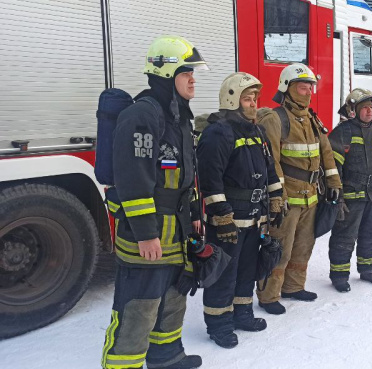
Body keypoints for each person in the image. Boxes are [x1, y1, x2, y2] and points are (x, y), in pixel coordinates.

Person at [101, 35, 208, 369]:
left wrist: (193, 215)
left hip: (174, 233)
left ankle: (166, 357)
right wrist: (147, 233)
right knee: (139, 306)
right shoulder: (142, 117)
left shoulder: (178, 117)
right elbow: (134, 180)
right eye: (186, 72)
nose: (193, 79)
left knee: (172, 298)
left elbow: (184, 178)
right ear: (166, 74)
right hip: (146, 236)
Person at [196, 72, 282, 348]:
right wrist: (221, 216)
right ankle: (219, 324)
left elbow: (269, 169)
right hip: (229, 220)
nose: (253, 103)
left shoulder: (256, 131)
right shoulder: (218, 132)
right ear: (231, 100)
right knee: (223, 273)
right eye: (247, 98)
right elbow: (210, 179)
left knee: (247, 269)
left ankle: (242, 313)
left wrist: (276, 198)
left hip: (254, 217)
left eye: (255, 98)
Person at [255, 63, 342, 315]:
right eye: (302, 86)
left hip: (311, 198)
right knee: (279, 247)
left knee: (303, 246)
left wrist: (334, 183)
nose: (308, 91)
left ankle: (293, 287)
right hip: (288, 199)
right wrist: (277, 196)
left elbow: (326, 153)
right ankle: (269, 295)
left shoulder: (311, 118)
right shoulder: (275, 118)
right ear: (287, 87)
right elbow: (271, 160)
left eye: (310, 86)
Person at [326, 88, 372, 292]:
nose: (369, 111)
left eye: (371, 107)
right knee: (344, 237)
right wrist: (337, 197)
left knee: (371, 235)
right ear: (353, 110)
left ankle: (368, 270)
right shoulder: (342, 132)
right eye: (364, 107)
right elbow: (333, 168)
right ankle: (339, 275)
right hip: (350, 198)